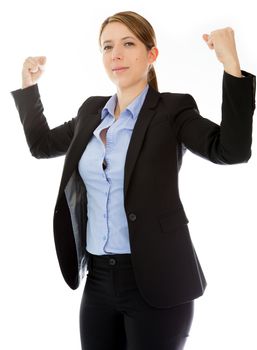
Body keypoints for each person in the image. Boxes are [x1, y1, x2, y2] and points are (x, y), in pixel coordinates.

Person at [11, 10, 255, 350]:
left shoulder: (172, 110)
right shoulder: (90, 112)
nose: (116, 54)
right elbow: (41, 146)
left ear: (151, 54)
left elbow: (231, 150)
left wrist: (231, 65)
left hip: (158, 280)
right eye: (107, 46)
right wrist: (29, 86)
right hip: (97, 281)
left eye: (128, 43)